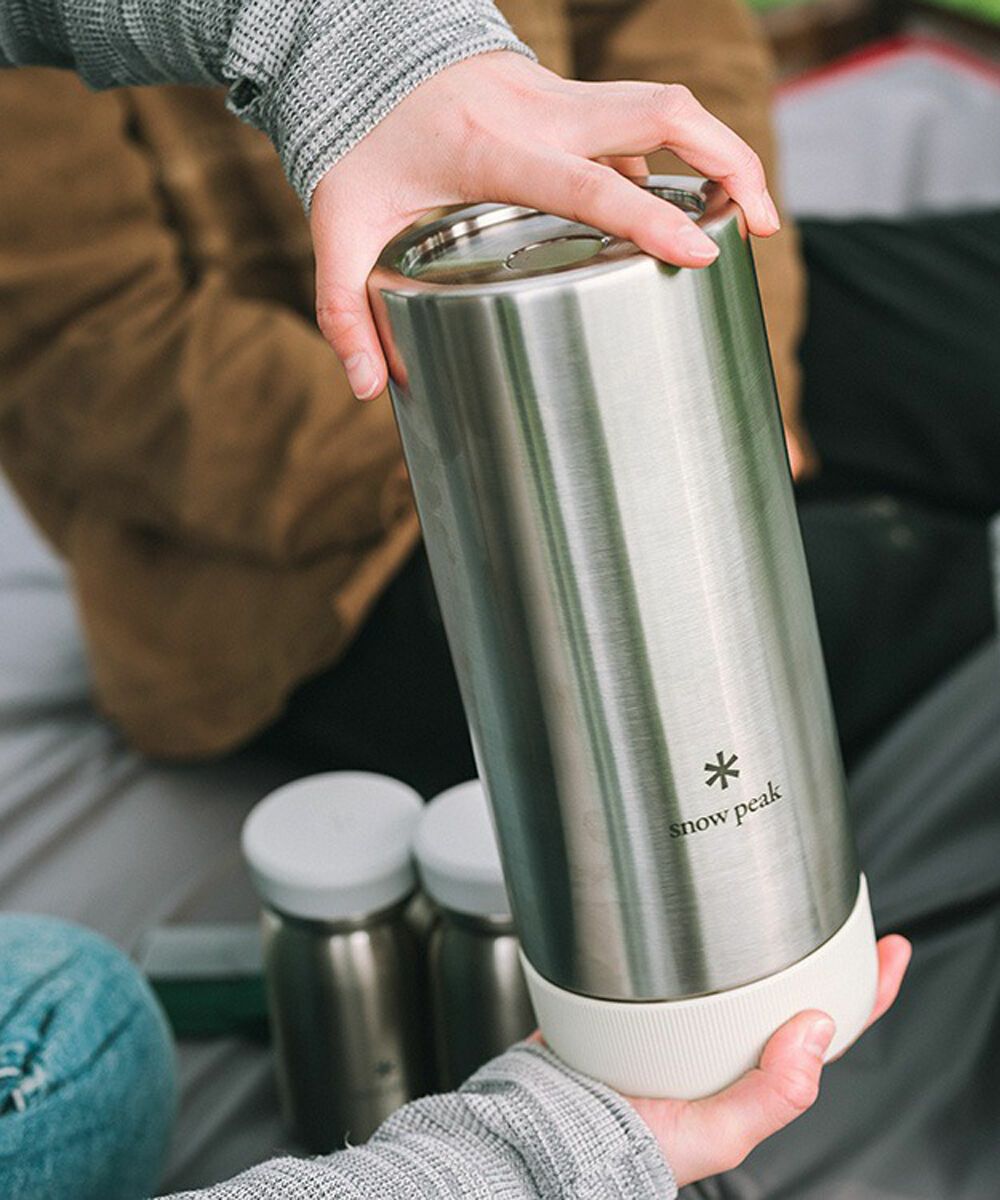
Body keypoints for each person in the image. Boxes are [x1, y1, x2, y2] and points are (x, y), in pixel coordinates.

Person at [0, 1, 909, 1197]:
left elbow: (678, 44)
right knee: (900, 583)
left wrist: (714, 347)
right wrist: (532, 432)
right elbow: (93, 349)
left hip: (625, 280)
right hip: (335, 518)